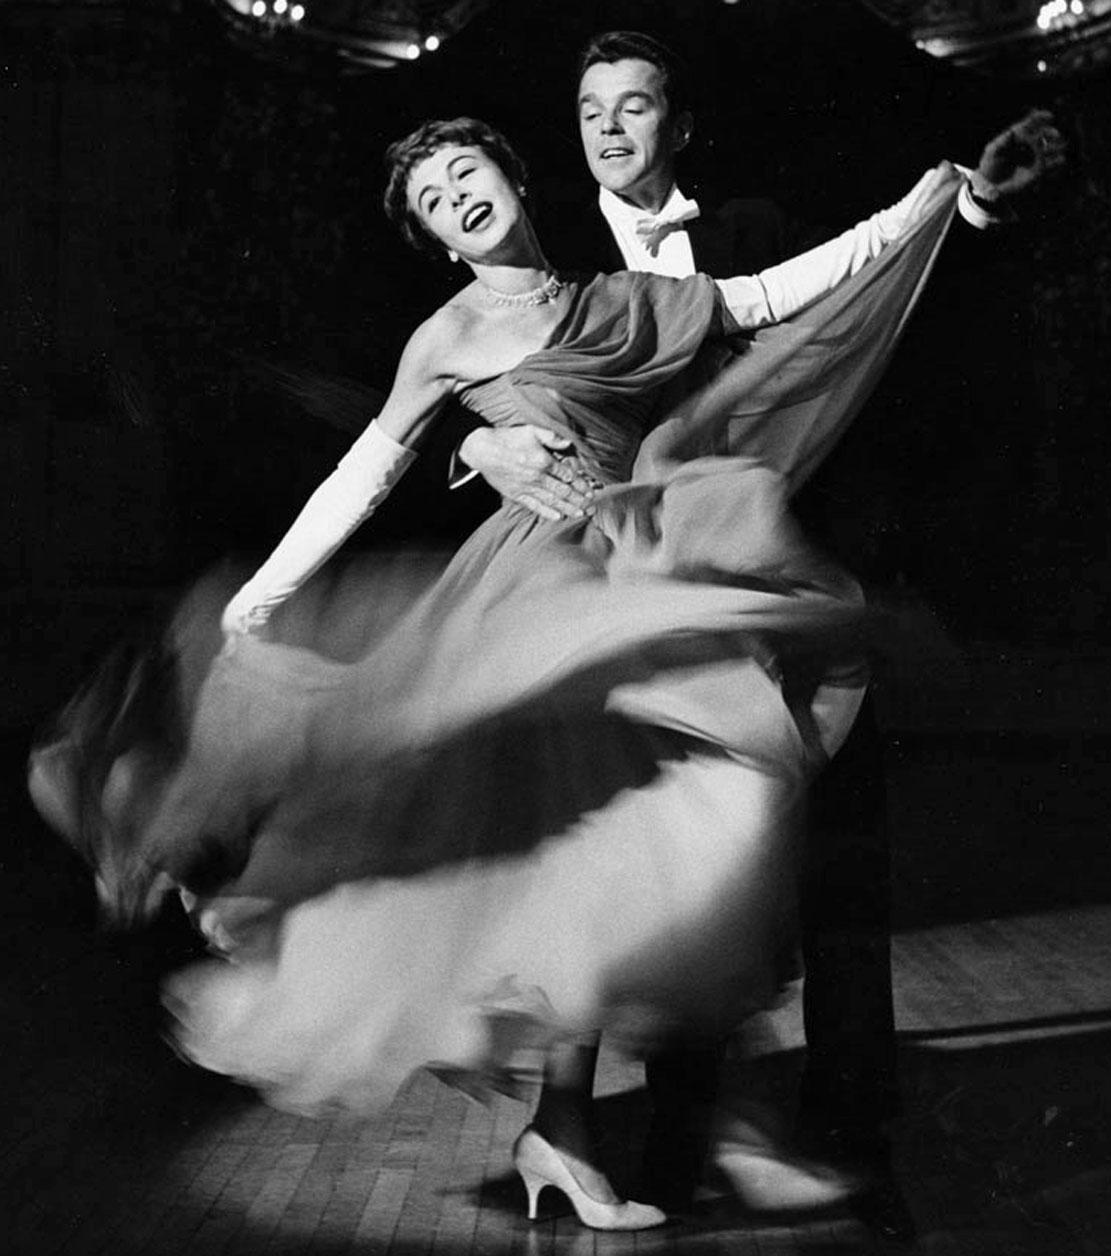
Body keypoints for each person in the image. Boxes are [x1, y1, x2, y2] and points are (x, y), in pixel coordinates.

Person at [31, 114, 1054, 1235]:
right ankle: (650, 1128)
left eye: (466, 171)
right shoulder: (445, 335)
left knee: (637, 838)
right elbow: (359, 476)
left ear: (512, 178)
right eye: (432, 197)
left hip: (634, 574)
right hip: (532, 596)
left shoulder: (624, 300)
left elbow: (776, 295)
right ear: (433, 237)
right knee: (584, 835)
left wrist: (936, 194)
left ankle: (571, 1131)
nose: (457, 195)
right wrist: (256, 603)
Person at [448, 30, 1065, 1231]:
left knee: (833, 844)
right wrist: (479, 442)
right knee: (672, 853)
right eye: (589, 110)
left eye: (636, 106)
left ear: (679, 126)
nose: (612, 128)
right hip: (639, 609)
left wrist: (970, 207)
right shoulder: (551, 263)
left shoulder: (754, 230)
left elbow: (869, 293)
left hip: (783, 575)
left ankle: (847, 1110)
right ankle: (685, 1125)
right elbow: (466, 382)